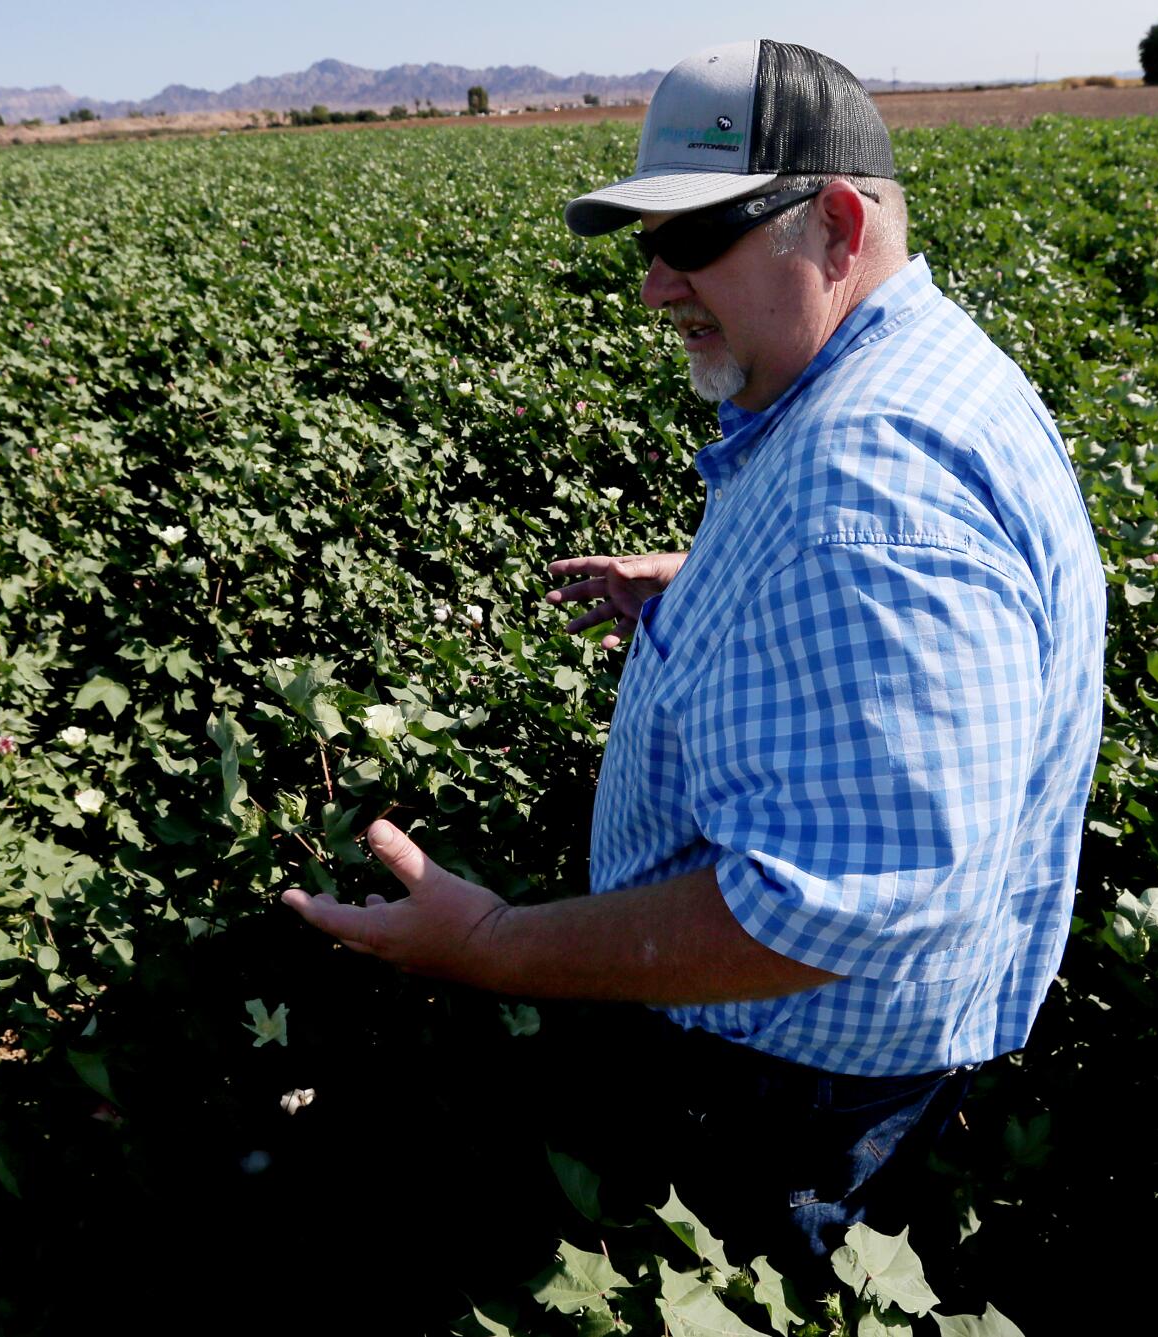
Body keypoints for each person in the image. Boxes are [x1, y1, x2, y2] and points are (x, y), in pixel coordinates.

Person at [281, 38, 1105, 1268]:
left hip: (793, 1069)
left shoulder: (868, 493)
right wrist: (717, 581)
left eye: (696, 237)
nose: (657, 287)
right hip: (832, 1049)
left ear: (832, 221)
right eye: (646, 244)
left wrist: (494, 943)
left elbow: (820, 913)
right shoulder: (917, 374)